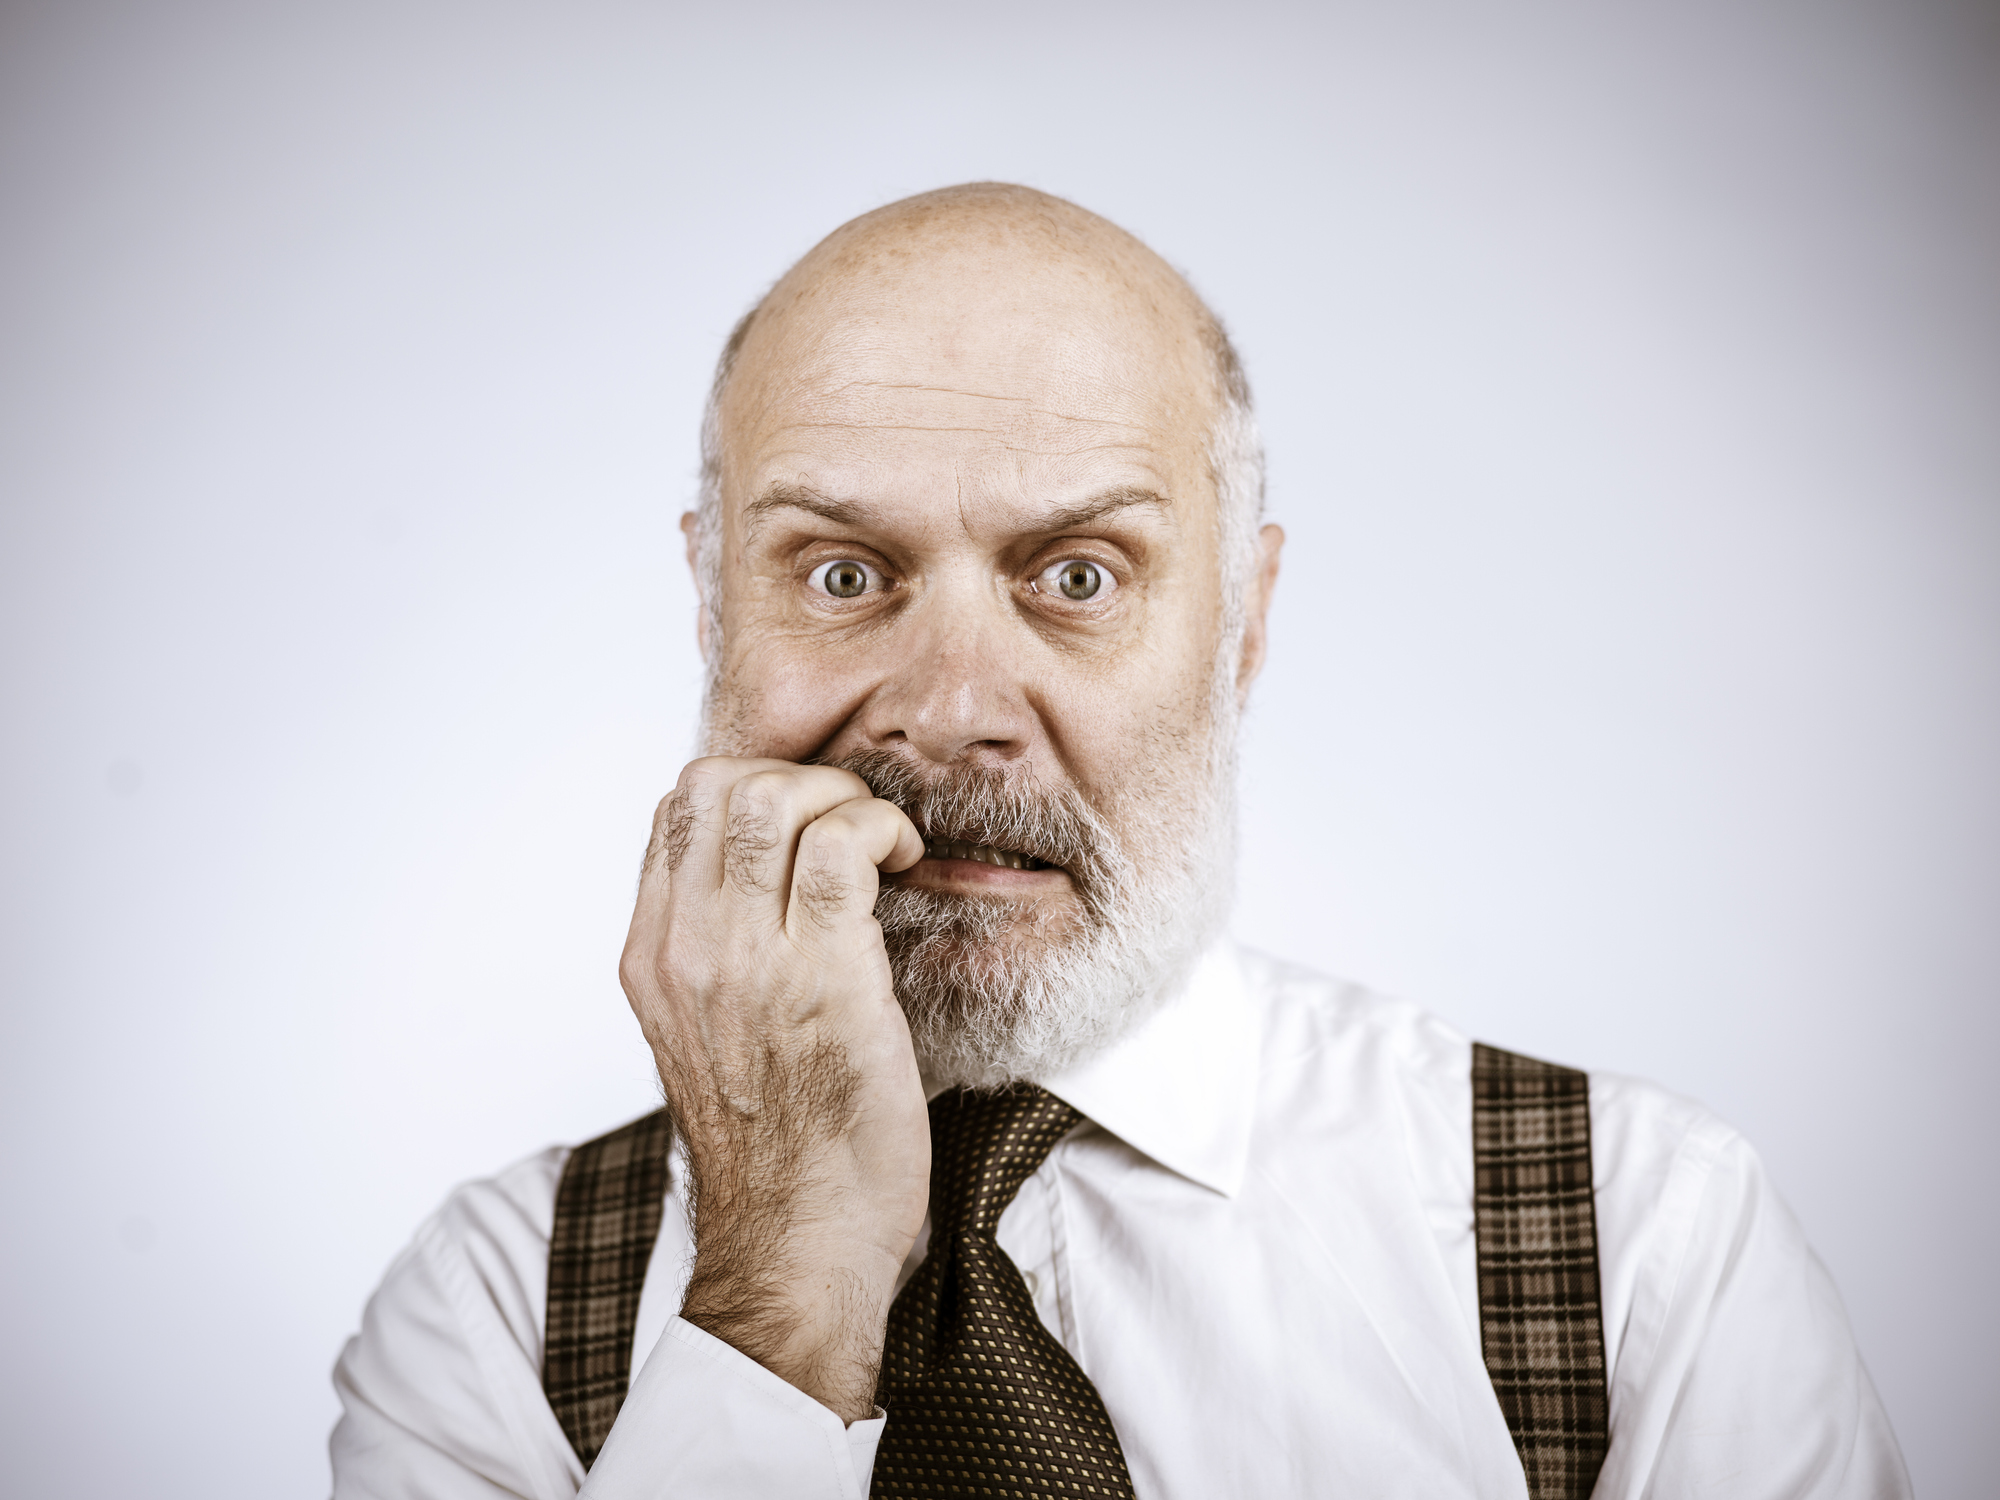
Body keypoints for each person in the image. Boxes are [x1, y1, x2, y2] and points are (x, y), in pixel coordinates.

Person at [330, 183, 1909, 1500]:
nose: (952, 713)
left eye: (1078, 576)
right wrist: (777, 1293)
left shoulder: (1642, 1245)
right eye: (840, 574)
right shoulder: (490, 1316)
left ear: (1245, 623)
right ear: (708, 604)